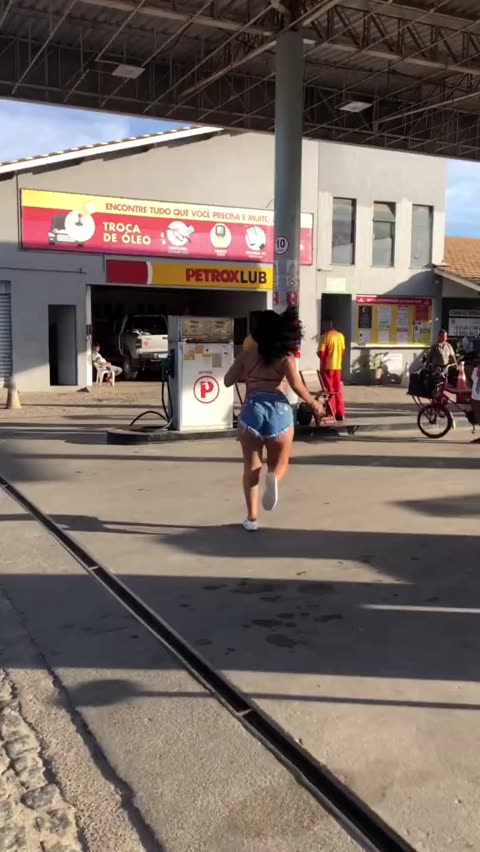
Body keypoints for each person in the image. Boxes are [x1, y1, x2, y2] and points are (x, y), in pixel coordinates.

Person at [224, 308, 324, 531]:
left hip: (252, 411)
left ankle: (252, 519)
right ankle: (274, 479)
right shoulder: (286, 357)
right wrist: (314, 404)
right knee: (280, 462)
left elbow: (228, 381)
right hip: (279, 411)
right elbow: (297, 386)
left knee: (251, 467)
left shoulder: (247, 355)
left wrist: (244, 367)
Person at [317, 318, 346, 421]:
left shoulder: (324, 336)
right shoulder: (340, 336)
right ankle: (340, 412)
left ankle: (331, 411)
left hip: (327, 367)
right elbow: (343, 352)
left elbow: (321, 353)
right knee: (338, 390)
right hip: (338, 366)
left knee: (329, 390)